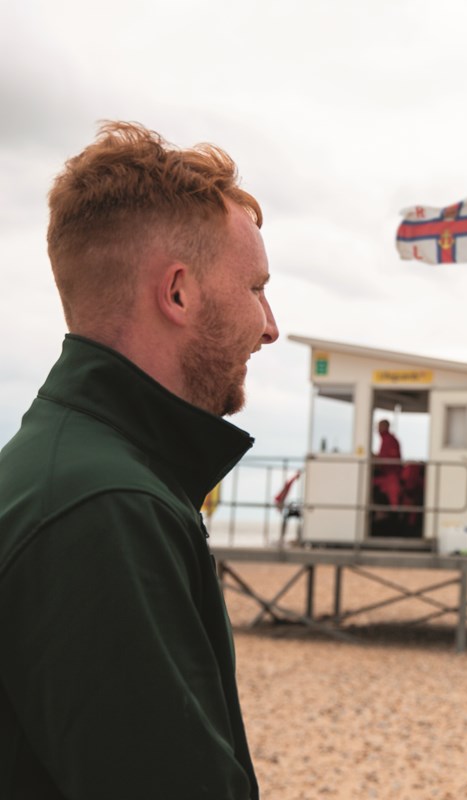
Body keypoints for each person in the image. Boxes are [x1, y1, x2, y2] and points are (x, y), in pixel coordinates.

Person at [0, 121, 278, 799]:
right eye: (255, 288)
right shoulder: (105, 510)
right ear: (178, 292)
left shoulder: (67, 466)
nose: (270, 325)